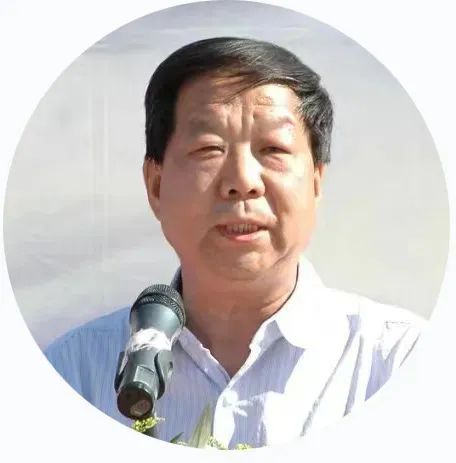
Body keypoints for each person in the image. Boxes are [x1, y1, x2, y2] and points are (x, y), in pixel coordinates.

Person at [44, 37, 425, 449]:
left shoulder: (402, 364)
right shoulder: (72, 374)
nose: (243, 180)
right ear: (156, 186)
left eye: (273, 149)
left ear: (316, 181)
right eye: (209, 148)